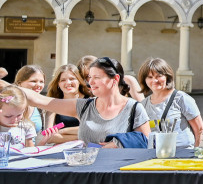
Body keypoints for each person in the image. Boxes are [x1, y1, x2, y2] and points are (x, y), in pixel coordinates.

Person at [7, 57, 150, 146]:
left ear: (115, 79)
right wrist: (6, 86)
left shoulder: (134, 108)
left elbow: (145, 142)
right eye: (90, 77)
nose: (91, 82)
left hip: (118, 176)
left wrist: (118, 143)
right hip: (86, 174)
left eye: (97, 77)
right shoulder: (83, 106)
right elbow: (40, 100)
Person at [138, 57, 203, 147]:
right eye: (150, 77)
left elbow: (199, 129)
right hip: (156, 156)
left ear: (167, 77)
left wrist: (195, 152)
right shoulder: (143, 105)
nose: (154, 80)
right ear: (144, 80)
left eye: (159, 76)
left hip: (183, 155)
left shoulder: (181, 98)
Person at [42, 64, 92, 143]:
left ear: (79, 81)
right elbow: (49, 137)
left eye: (72, 79)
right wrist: (83, 136)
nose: (68, 82)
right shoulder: (53, 104)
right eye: (63, 80)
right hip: (62, 151)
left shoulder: (90, 101)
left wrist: (62, 131)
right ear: (58, 84)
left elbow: (94, 129)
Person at [79, 54, 145, 102]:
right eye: (88, 76)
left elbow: (145, 109)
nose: (90, 80)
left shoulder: (127, 80)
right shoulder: (88, 91)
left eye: (96, 75)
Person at [13, 65, 46, 136]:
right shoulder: (9, 104)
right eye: (33, 81)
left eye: (41, 82)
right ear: (19, 83)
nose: (38, 85)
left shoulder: (40, 107)